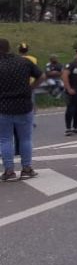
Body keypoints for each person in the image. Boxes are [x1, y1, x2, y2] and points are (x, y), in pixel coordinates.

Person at [0, 38, 42, 182]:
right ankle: (26, 169)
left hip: (3, 107)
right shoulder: (23, 62)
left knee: (5, 139)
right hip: (24, 105)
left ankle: (9, 171)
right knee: (25, 138)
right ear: (9, 48)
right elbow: (41, 75)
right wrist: (31, 88)